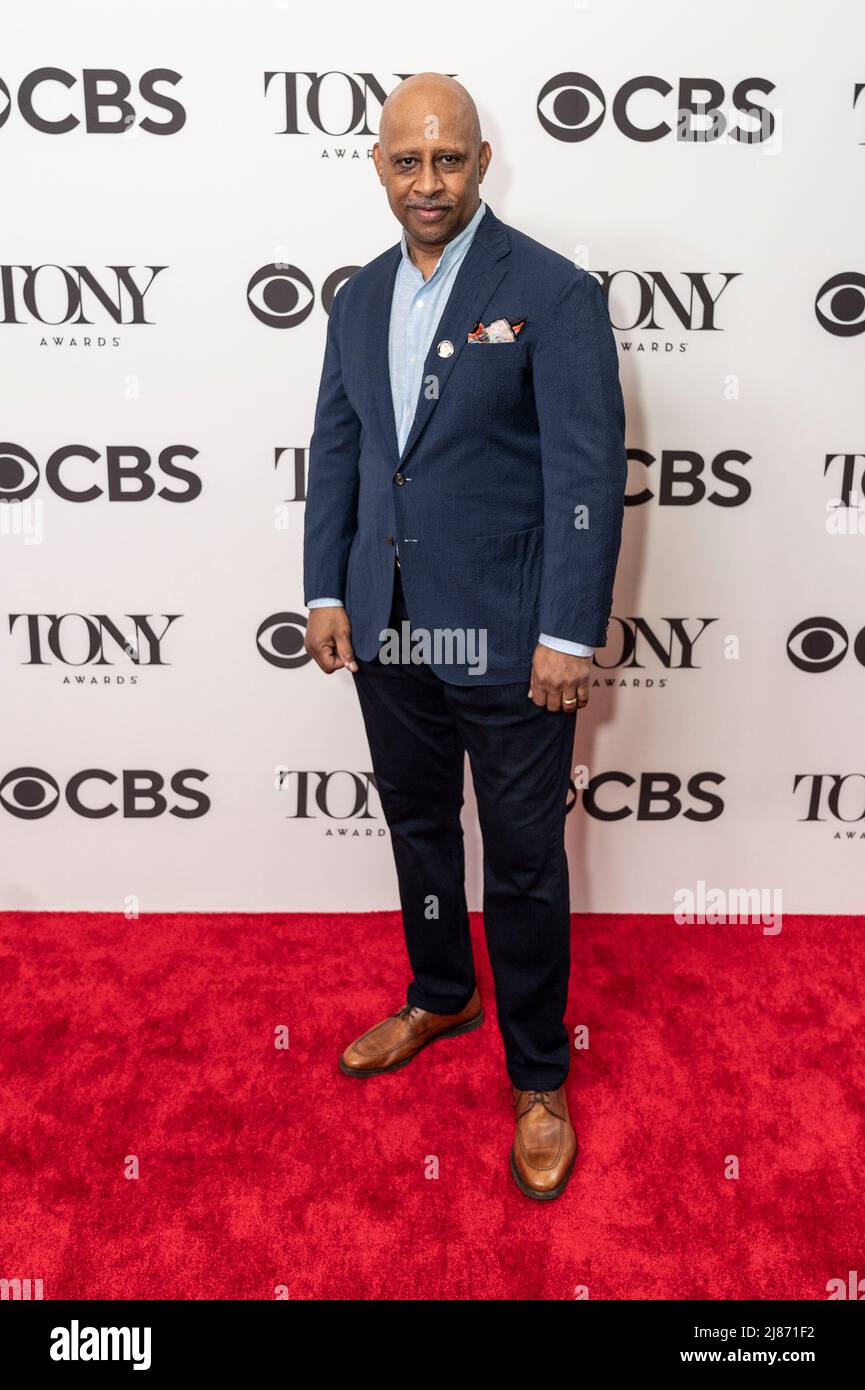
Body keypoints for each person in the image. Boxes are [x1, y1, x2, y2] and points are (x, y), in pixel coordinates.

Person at [303, 72, 626, 1200]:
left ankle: (538, 1075)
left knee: (528, 862)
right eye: (406, 160)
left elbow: (586, 476)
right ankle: (441, 990)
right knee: (419, 824)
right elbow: (338, 451)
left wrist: (567, 634)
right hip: (387, 629)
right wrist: (324, 591)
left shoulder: (549, 289)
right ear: (379, 166)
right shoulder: (355, 300)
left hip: (511, 636)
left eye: (447, 160)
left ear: (482, 163)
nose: (425, 181)